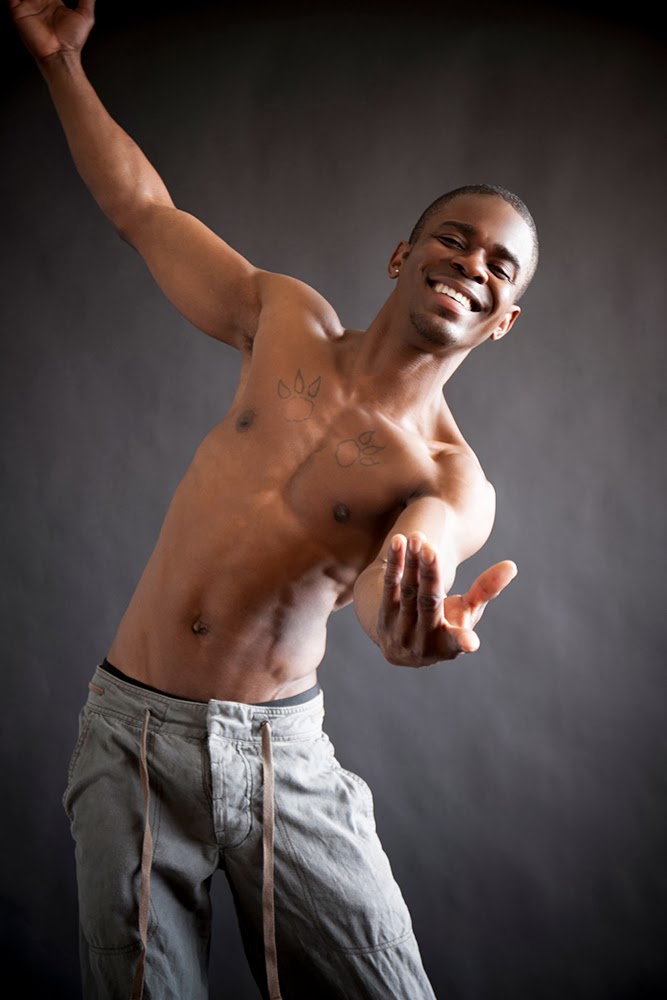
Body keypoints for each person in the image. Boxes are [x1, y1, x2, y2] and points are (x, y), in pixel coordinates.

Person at [10, 1, 539, 997]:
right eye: (453, 239)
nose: (470, 264)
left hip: (276, 759)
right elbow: (146, 213)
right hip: (129, 738)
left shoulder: (446, 476)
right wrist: (61, 65)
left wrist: (411, 631)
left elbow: (392, 587)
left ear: (501, 319)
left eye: (496, 267)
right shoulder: (285, 319)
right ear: (403, 256)